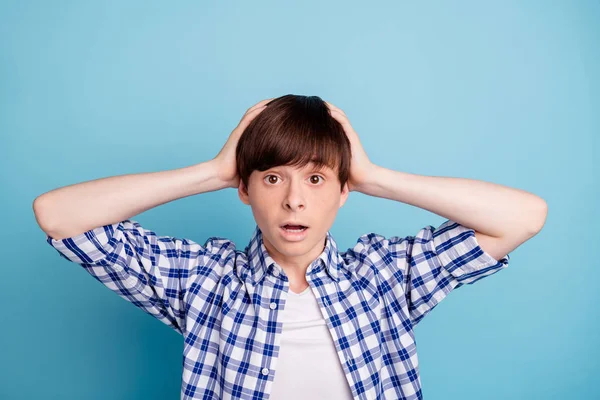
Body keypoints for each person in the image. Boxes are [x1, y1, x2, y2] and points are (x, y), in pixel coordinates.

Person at [32, 94, 547, 400]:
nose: (295, 200)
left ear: (344, 192)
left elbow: (523, 218)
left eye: (318, 179)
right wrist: (211, 171)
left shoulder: (385, 277)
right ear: (245, 188)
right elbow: (57, 216)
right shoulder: (205, 281)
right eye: (273, 178)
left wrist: (373, 176)